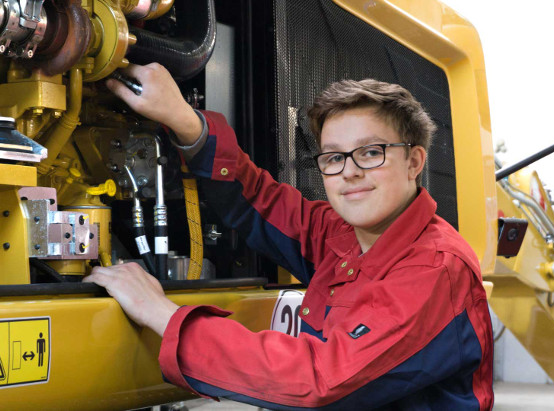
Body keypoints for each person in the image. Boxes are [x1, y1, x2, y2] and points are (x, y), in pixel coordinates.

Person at [84, 63, 494, 410]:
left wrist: (161, 313)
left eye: (371, 152)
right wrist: (185, 121)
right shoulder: (343, 234)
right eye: (334, 157)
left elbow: (320, 379)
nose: (349, 172)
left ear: (414, 162)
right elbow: (259, 200)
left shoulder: (435, 267)